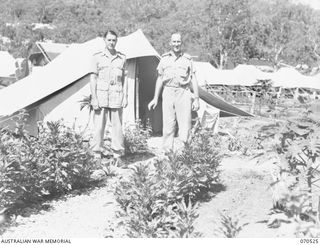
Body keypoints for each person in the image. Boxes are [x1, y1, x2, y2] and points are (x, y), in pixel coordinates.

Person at [148, 33, 200, 151]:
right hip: (168, 92)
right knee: (168, 124)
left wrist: (196, 99)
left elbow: (194, 79)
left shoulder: (187, 59)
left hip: (184, 92)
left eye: (178, 42)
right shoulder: (164, 59)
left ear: (181, 43)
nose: (176, 44)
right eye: (174, 42)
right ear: (170, 43)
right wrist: (155, 98)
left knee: (185, 124)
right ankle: (167, 152)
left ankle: (184, 152)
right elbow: (160, 78)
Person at [90, 30, 128, 162]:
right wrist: (94, 98)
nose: (111, 43)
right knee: (99, 126)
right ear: (104, 40)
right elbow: (93, 79)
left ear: (116, 41)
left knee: (117, 126)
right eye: (109, 40)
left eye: (114, 40)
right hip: (101, 96)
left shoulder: (122, 58)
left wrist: (125, 96)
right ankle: (96, 154)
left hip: (116, 96)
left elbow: (125, 79)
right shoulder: (97, 57)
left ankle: (117, 155)